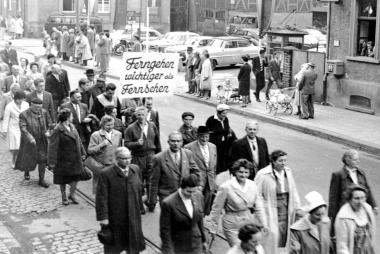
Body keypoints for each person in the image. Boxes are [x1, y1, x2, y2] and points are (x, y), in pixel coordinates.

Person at [96, 147, 145, 254]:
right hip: (115, 216)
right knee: (114, 245)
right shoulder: (106, 174)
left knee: (133, 243)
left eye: (129, 158)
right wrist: (103, 218)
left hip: (132, 214)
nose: (127, 161)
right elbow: (101, 198)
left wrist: (141, 207)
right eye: (123, 158)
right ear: (116, 159)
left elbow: (139, 189)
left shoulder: (135, 169)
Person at [209, 159, 267, 246]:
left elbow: (259, 206)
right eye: (240, 172)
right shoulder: (226, 187)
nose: (243, 175)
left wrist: (264, 224)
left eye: (246, 172)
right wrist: (213, 228)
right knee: (239, 249)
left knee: (249, 249)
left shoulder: (252, 185)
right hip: (232, 224)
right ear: (235, 172)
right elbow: (216, 209)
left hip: (248, 222)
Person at [255, 150, 301, 254]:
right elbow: (257, 196)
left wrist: (298, 207)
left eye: (285, 160)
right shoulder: (263, 174)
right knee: (271, 238)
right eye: (280, 161)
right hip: (271, 209)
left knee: (284, 236)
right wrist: (262, 214)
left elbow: (293, 190)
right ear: (273, 161)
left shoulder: (288, 172)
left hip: (286, 208)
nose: (283, 163)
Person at [148, 131, 200, 211]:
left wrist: (197, 186)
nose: (176, 143)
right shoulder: (159, 158)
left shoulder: (188, 154)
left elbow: (196, 171)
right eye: (173, 141)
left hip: (184, 194)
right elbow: (154, 181)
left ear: (182, 142)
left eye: (178, 141)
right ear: (168, 142)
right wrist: (152, 201)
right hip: (166, 196)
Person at [328, 149, 377, 230]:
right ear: (347, 160)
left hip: (360, 207)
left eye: (358, 159)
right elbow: (333, 197)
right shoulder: (338, 175)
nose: (358, 161)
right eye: (355, 159)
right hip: (346, 210)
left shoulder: (361, 172)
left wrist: (374, 205)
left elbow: (367, 189)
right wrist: (332, 217)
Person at [160, 174, 207, 254]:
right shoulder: (168, 203)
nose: (191, 194)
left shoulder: (198, 196)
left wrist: (204, 240)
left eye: (194, 191)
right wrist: (169, 251)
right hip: (179, 246)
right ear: (181, 187)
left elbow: (200, 221)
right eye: (188, 191)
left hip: (196, 244)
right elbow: (165, 231)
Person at [48, 108, 86, 205]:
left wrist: (82, 152)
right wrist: (52, 161)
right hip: (63, 159)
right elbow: (52, 147)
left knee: (76, 177)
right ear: (67, 118)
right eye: (71, 116)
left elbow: (78, 141)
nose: (72, 117)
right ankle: (64, 196)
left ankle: (72, 194)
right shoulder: (57, 130)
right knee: (63, 179)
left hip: (75, 158)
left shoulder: (72, 126)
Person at [15, 98, 52, 187]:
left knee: (42, 160)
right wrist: (30, 137)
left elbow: (50, 123)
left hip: (42, 140)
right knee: (28, 158)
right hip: (29, 141)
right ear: (31, 105)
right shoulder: (24, 114)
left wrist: (49, 131)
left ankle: (41, 180)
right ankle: (26, 171)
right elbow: (23, 128)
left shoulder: (44, 112)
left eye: (39, 107)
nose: (38, 109)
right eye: (36, 107)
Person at [124, 106, 161, 197]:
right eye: (139, 115)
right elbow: (126, 144)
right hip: (138, 157)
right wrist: (136, 143)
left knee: (151, 179)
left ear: (147, 115)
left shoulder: (152, 126)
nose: (141, 117)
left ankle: (151, 201)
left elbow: (157, 142)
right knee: (138, 181)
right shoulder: (131, 128)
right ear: (136, 115)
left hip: (151, 156)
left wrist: (159, 155)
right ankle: (139, 203)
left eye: (143, 115)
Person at [184, 126, 217, 215]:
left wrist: (214, 177)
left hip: (210, 179)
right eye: (202, 136)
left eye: (207, 136)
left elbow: (214, 164)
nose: (204, 139)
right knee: (196, 199)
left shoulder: (213, 146)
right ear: (198, 136)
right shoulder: (188, 147)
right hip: (197, 178)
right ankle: (194, 217)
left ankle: (204, 218)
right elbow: (186, 166)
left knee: (208, 199)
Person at [334, 185, 376, 254]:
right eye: (356, 198)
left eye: (362, 198)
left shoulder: (368, 210)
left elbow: (372, 232)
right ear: (349, 199)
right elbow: (342, 246)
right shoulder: (343, 217)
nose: (360, 202)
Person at [88, 115, 122, 193]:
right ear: (102, 125)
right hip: (100, 166)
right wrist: (102, 144)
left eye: (112, 125)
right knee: (100, 189)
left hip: (113, 165)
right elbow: (90, 150)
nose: (110, 127)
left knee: (113, 188)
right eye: (108, 125)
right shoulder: (95, 135)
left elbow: (119, 148)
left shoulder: (118, 134)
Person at [1, 90, 29, 167]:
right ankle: (14, 159)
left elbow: (29, 116)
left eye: (22, 99)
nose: (21, 101)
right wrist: (4, 130)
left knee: (22, 145)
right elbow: (6, 119)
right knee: (15, 146)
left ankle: (21, 160)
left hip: (24, 127)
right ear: (15, 98)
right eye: (19, 99)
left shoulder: (26, 104)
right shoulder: (9, 106)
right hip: (13, 128)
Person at [206, 104, 234, 174]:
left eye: (226, 113)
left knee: (223, 158)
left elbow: (227, 128)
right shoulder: (211, 120)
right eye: (223, 113)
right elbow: (208, 132)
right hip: (214, 143)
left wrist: (229, 132)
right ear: (218, 112)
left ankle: (222, 173)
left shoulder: (225, 119)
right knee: (216, 159)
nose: (225, 115)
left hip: (224, 143)